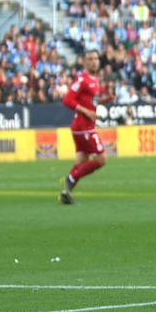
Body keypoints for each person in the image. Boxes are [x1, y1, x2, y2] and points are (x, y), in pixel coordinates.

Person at [59, 49, 105, 205]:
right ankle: (69, 180)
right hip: (83, 126)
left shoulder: (95, 80)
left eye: (96, 58)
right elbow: (67, 100)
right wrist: (87, 112)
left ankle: (66, 192)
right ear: (85, 61)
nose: (94, 61)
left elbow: (90, 101)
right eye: (90, 59)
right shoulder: (82, 79)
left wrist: (105, 100)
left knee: (82, 160)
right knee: (100, 159)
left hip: (85, 126)